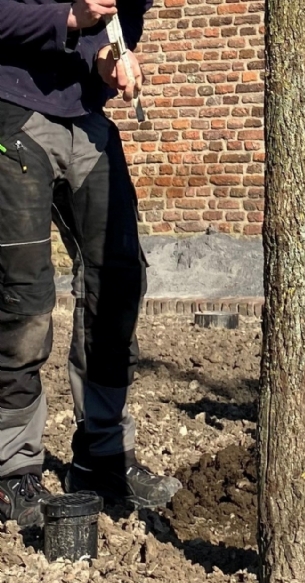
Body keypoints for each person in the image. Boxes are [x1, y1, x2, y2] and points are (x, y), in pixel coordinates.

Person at [0, 0, 181, 527]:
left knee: (120, 279)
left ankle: (101, 455)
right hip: (13, 110)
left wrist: (103, 56)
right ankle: (13, 470)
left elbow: (116, 28)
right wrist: (70, 18)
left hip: (87, 118)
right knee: (21, 297)